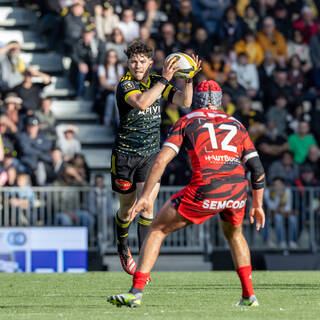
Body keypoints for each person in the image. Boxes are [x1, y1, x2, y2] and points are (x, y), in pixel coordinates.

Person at [107, 80, 265, 308]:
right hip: (236, 190)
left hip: (206, 187)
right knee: (235, 235)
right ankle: (249, 296)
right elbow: (258, 170)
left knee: (157, 229)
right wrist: (257, 205)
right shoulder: (237, 124)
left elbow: (161, 160)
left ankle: (136, 291)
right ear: (219, 100)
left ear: (197, 101)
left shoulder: (187, 121)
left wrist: (144, 196)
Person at [111, 40, 200, 275]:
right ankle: (122, 245)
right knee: (127, 209)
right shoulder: (125, 84)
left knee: (148, 206)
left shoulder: (156, 82)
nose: (137, 65)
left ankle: (143, 266)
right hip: (125, 156)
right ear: (128, 63)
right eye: (133, 61)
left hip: (150, 155)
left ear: (150, 63)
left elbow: (185, 101)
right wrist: (165, 79)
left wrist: (189, 77)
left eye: (142, 61)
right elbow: (142, 103)